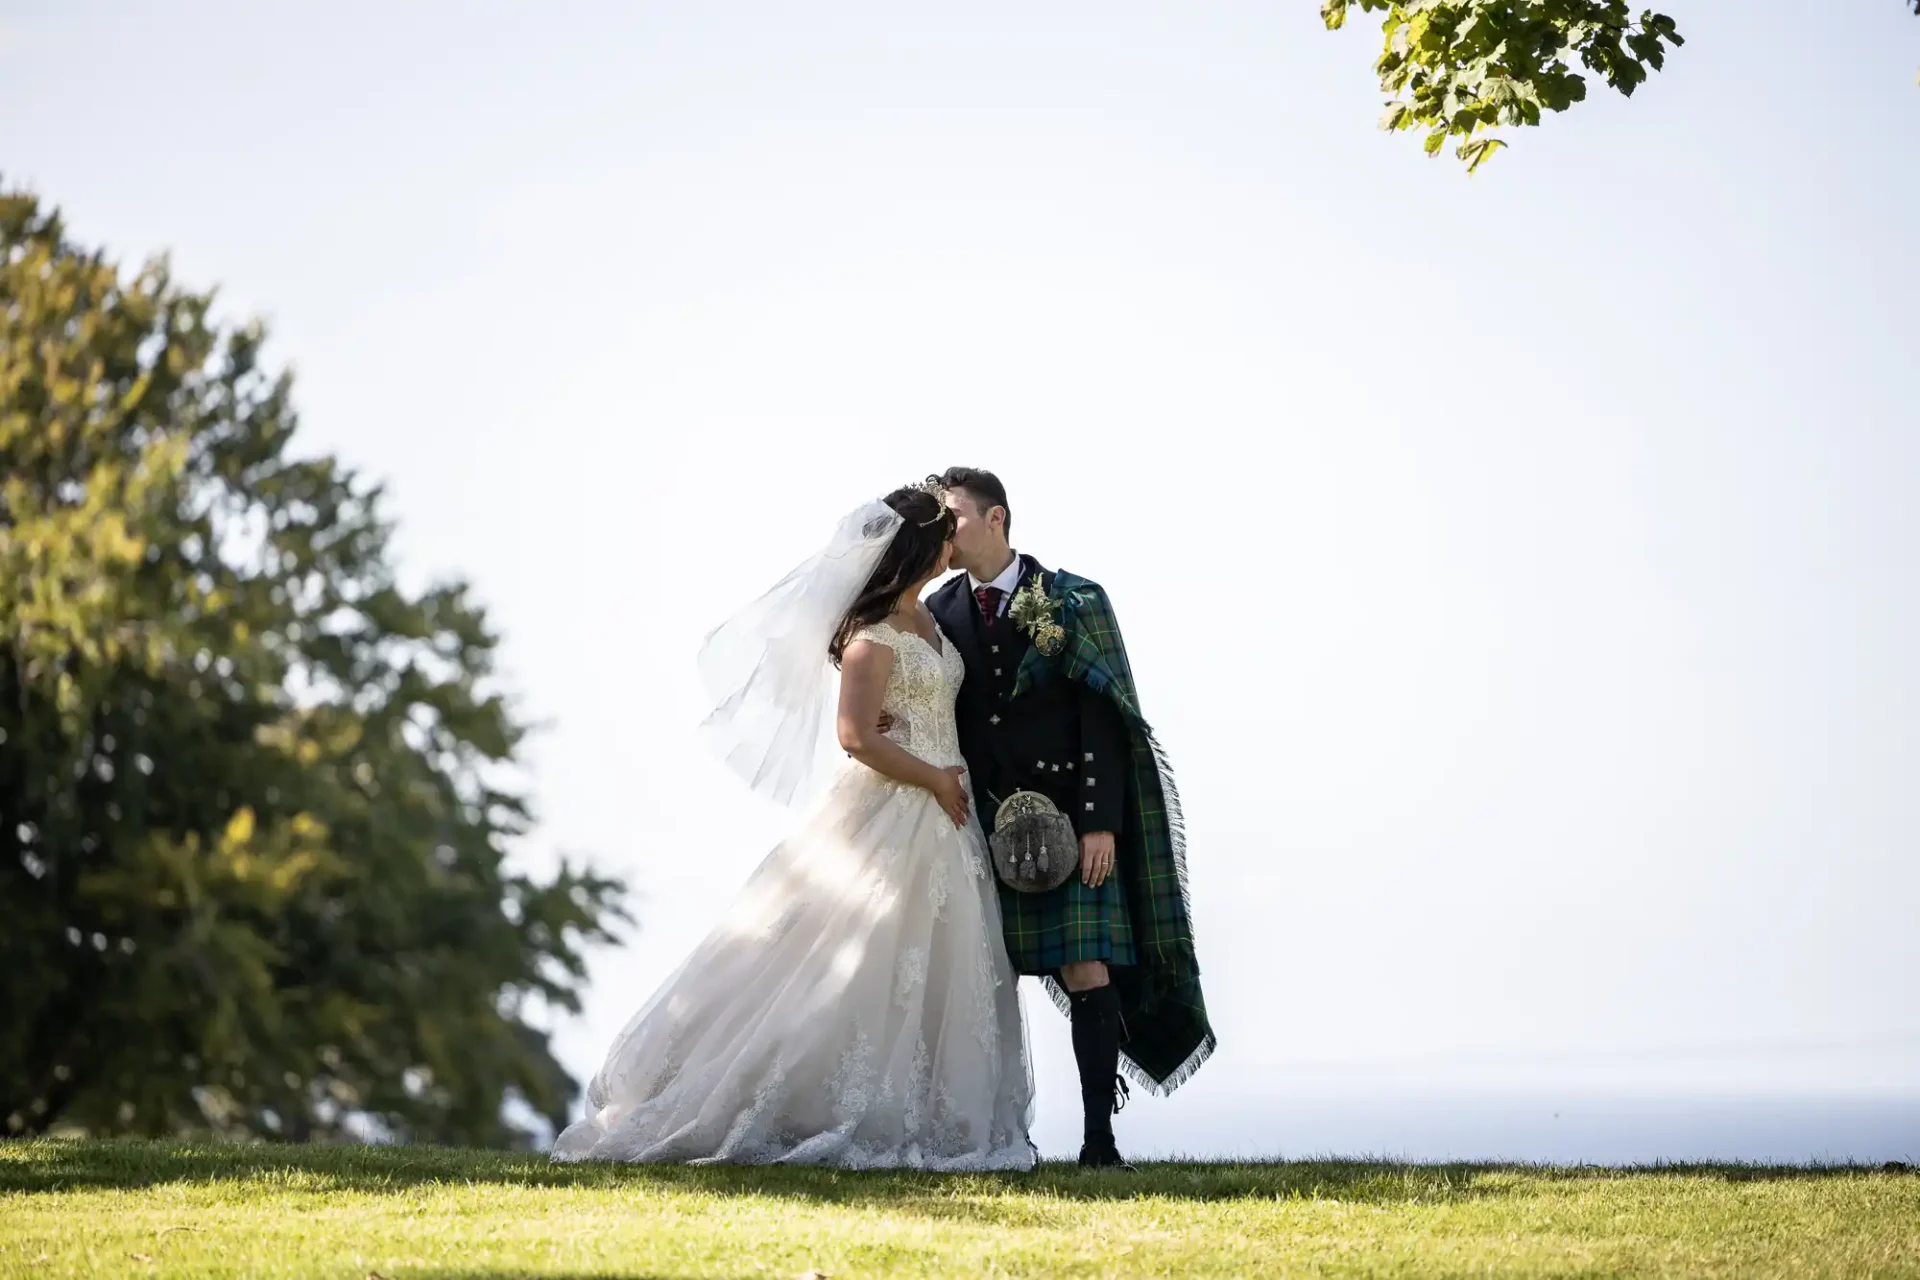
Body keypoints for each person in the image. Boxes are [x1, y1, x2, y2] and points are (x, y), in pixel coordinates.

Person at [552, 483, 1034, 1169]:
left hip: (945, 813)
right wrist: (930, 777)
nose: (955, 543)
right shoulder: (872, 639)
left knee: (932, 967)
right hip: (898, 804)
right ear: (922, 547)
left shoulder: (929, 620)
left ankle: (928, 1112)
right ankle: (796, 1103)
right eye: (945, 534)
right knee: (852, 956)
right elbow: (855, 736)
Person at [925, 466, 1215, 1170]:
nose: (945, 533)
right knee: (972, 974)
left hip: (1068, 815)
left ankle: (1098, 1141)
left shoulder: (1073, 598)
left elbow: (1105, 717)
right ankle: (981, 1138)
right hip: (981, 823)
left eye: (954, 517)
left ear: (997, 520)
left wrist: (1099, 822)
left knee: (1088, 968)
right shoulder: (935, 610)